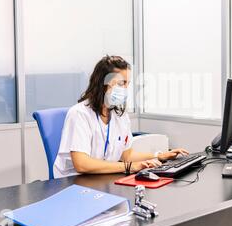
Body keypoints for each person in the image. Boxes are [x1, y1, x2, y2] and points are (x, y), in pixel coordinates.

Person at [53, 55, 189, 178]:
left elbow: (127, 155)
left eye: (127, 84)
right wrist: (130, 167)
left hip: (101, 178)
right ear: (102, 83)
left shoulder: (119, 115)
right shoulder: (79, 114)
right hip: (73, 181)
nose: (124, 90)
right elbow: (82, 164)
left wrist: (159, 156)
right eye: (121, 83)